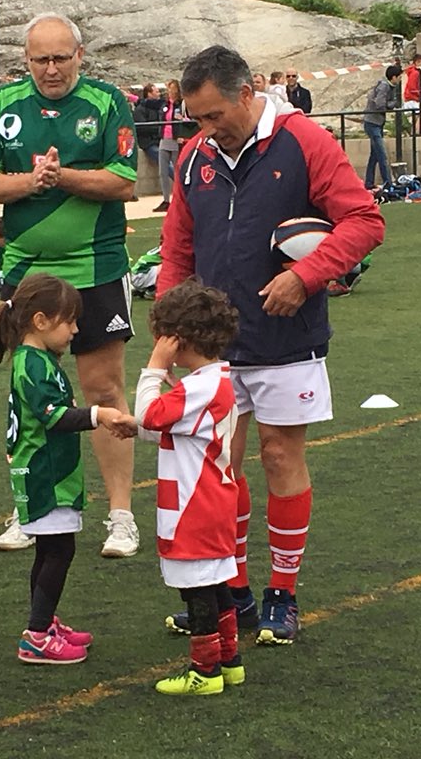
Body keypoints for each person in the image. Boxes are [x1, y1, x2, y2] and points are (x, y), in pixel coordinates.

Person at [158, 45, 384, 645]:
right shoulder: (192, 157)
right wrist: (169, 318)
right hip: (213, 350)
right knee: (219, 471)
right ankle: (233, 591)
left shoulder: (305, 141)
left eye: (212, 116)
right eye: (195, 119)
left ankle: (282, 593)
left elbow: (365, 220)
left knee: (281, 458)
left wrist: (306, 276)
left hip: (287, 339)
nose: (204, 129)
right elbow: (178, 246)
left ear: (247, 92)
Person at [0, 12, 141, 558]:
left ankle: (120, 516)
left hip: (96, 265)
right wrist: (31, 180)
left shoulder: (107, 102)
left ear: (79, 56)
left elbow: (123, 181)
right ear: (25, 59)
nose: (50, 69)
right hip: (25, 271)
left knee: (102, 389)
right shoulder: (4, 106)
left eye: (60, 58)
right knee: (29, 393)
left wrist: (61, 174)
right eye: (39, 59)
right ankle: (29, 509)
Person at [0, 273, 131, 664]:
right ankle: (36, 635)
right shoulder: (32, 364)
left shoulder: (38, 359)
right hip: (46, 474)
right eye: (69, 321)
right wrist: (99, 414)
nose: (76, 329)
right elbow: (53, 418)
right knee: (58, 551)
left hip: (50, 470)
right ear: (41, 321)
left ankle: (44, 622)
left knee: (51, 550)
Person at [132, 278, 243, 696]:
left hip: (193, 506)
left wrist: (153, 367)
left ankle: (205, 672)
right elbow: (172, 428)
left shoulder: (197, 387)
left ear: (177, 340)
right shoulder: (215, 382)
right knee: (215, 584)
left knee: (196, 588)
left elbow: (149, 414)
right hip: (214, 499)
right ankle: (230, 661)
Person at [362, 65, 403, 191]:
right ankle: (388, 183)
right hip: (372, 123)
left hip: (377, 123)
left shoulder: (389, 86)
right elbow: (380, 105)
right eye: (399, 77)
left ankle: (369, 182)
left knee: (374, 155)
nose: (400, 79)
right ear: (394, 77)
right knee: (381, 154)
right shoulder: (384, 86)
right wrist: (392, 104)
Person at [156, 79, 188, 213]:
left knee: (177, 170)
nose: (170, 91)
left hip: (176, 140)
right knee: (163, 171)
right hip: (165, 138)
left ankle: (180, 198)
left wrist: (183, 120)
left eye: (172, 89)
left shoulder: (181, 104)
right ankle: (165, 199)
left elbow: (189, 119)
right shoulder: (165, 104)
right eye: (169, 89)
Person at [133, 83, 163, 167]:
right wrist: (158, 129)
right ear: (149, 94)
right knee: (163, 159)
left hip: (160, 140)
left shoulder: (160, 107)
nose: (159, 94)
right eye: (156, 92)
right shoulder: (140, 109)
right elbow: (142, 127)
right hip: (148, 142)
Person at [402, 54, 421, 133]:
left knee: (415, 117)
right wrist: (420, 94)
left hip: (412, 97)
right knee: (418, 117)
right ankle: (416, 132)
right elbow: (412, 87)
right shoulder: (415, 73)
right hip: (413, 98)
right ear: (417, 62)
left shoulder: (414, 72)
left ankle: (414, 132)